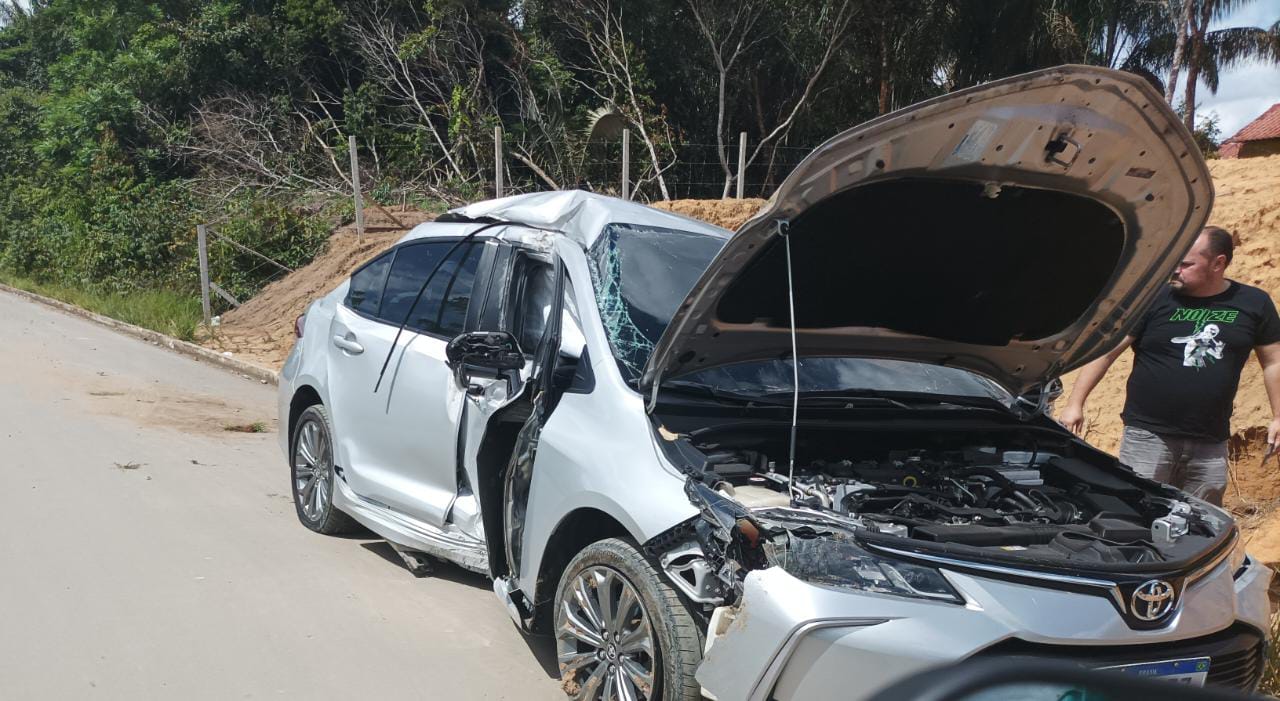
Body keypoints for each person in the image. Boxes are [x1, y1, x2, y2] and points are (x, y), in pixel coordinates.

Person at [1060, 226, 1280, 506]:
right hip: (1148, 436)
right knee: (1137, 511)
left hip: (1210, 441)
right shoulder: (1152, 298)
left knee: (1202, 523)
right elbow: (1105, 352)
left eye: (1186, 264)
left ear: (1218, 263)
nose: (1175, 269)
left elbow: (1273, 361)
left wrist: (1278, 415)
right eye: (1174, 260)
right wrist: (1074, 404)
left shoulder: (1254, 303)